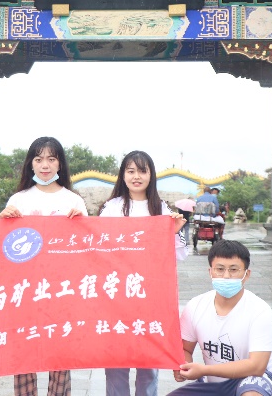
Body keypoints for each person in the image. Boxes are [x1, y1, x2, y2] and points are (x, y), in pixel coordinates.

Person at [0, 136, 88, 396]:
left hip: (62, 290)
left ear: (60, 163)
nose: (45, 165)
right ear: (31, 164)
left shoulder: (74, 201)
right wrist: (2, 221)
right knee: (24, 353)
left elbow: (87, 249)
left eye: (51, 159)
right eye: (38, 159)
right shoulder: (18, 199)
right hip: (25, 289)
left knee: (60, 355)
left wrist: (82, 224)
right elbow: (4, 249)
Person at [98, 150, 189, 396]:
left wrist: (174, 231)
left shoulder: (161, 209)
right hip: (117, 295)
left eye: (142, 171)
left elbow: (178, 255)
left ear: (151, 175)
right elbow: (99, 248)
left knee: (149, 359)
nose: (136, 176)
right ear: (122, 175)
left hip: (150, 295)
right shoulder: (111, 208)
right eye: (130, 171)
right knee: (116, 359)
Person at [169, 240, 272, 396]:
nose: (226, 276)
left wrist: (204, 370)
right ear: (210, 272)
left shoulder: (260, 311)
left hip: (257, 379)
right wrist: (183, 365)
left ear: (246, 274)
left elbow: (257, 366)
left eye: (233, 270)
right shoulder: (195, 306)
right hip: (214, 382)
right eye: (220, 269)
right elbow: (185, 348)